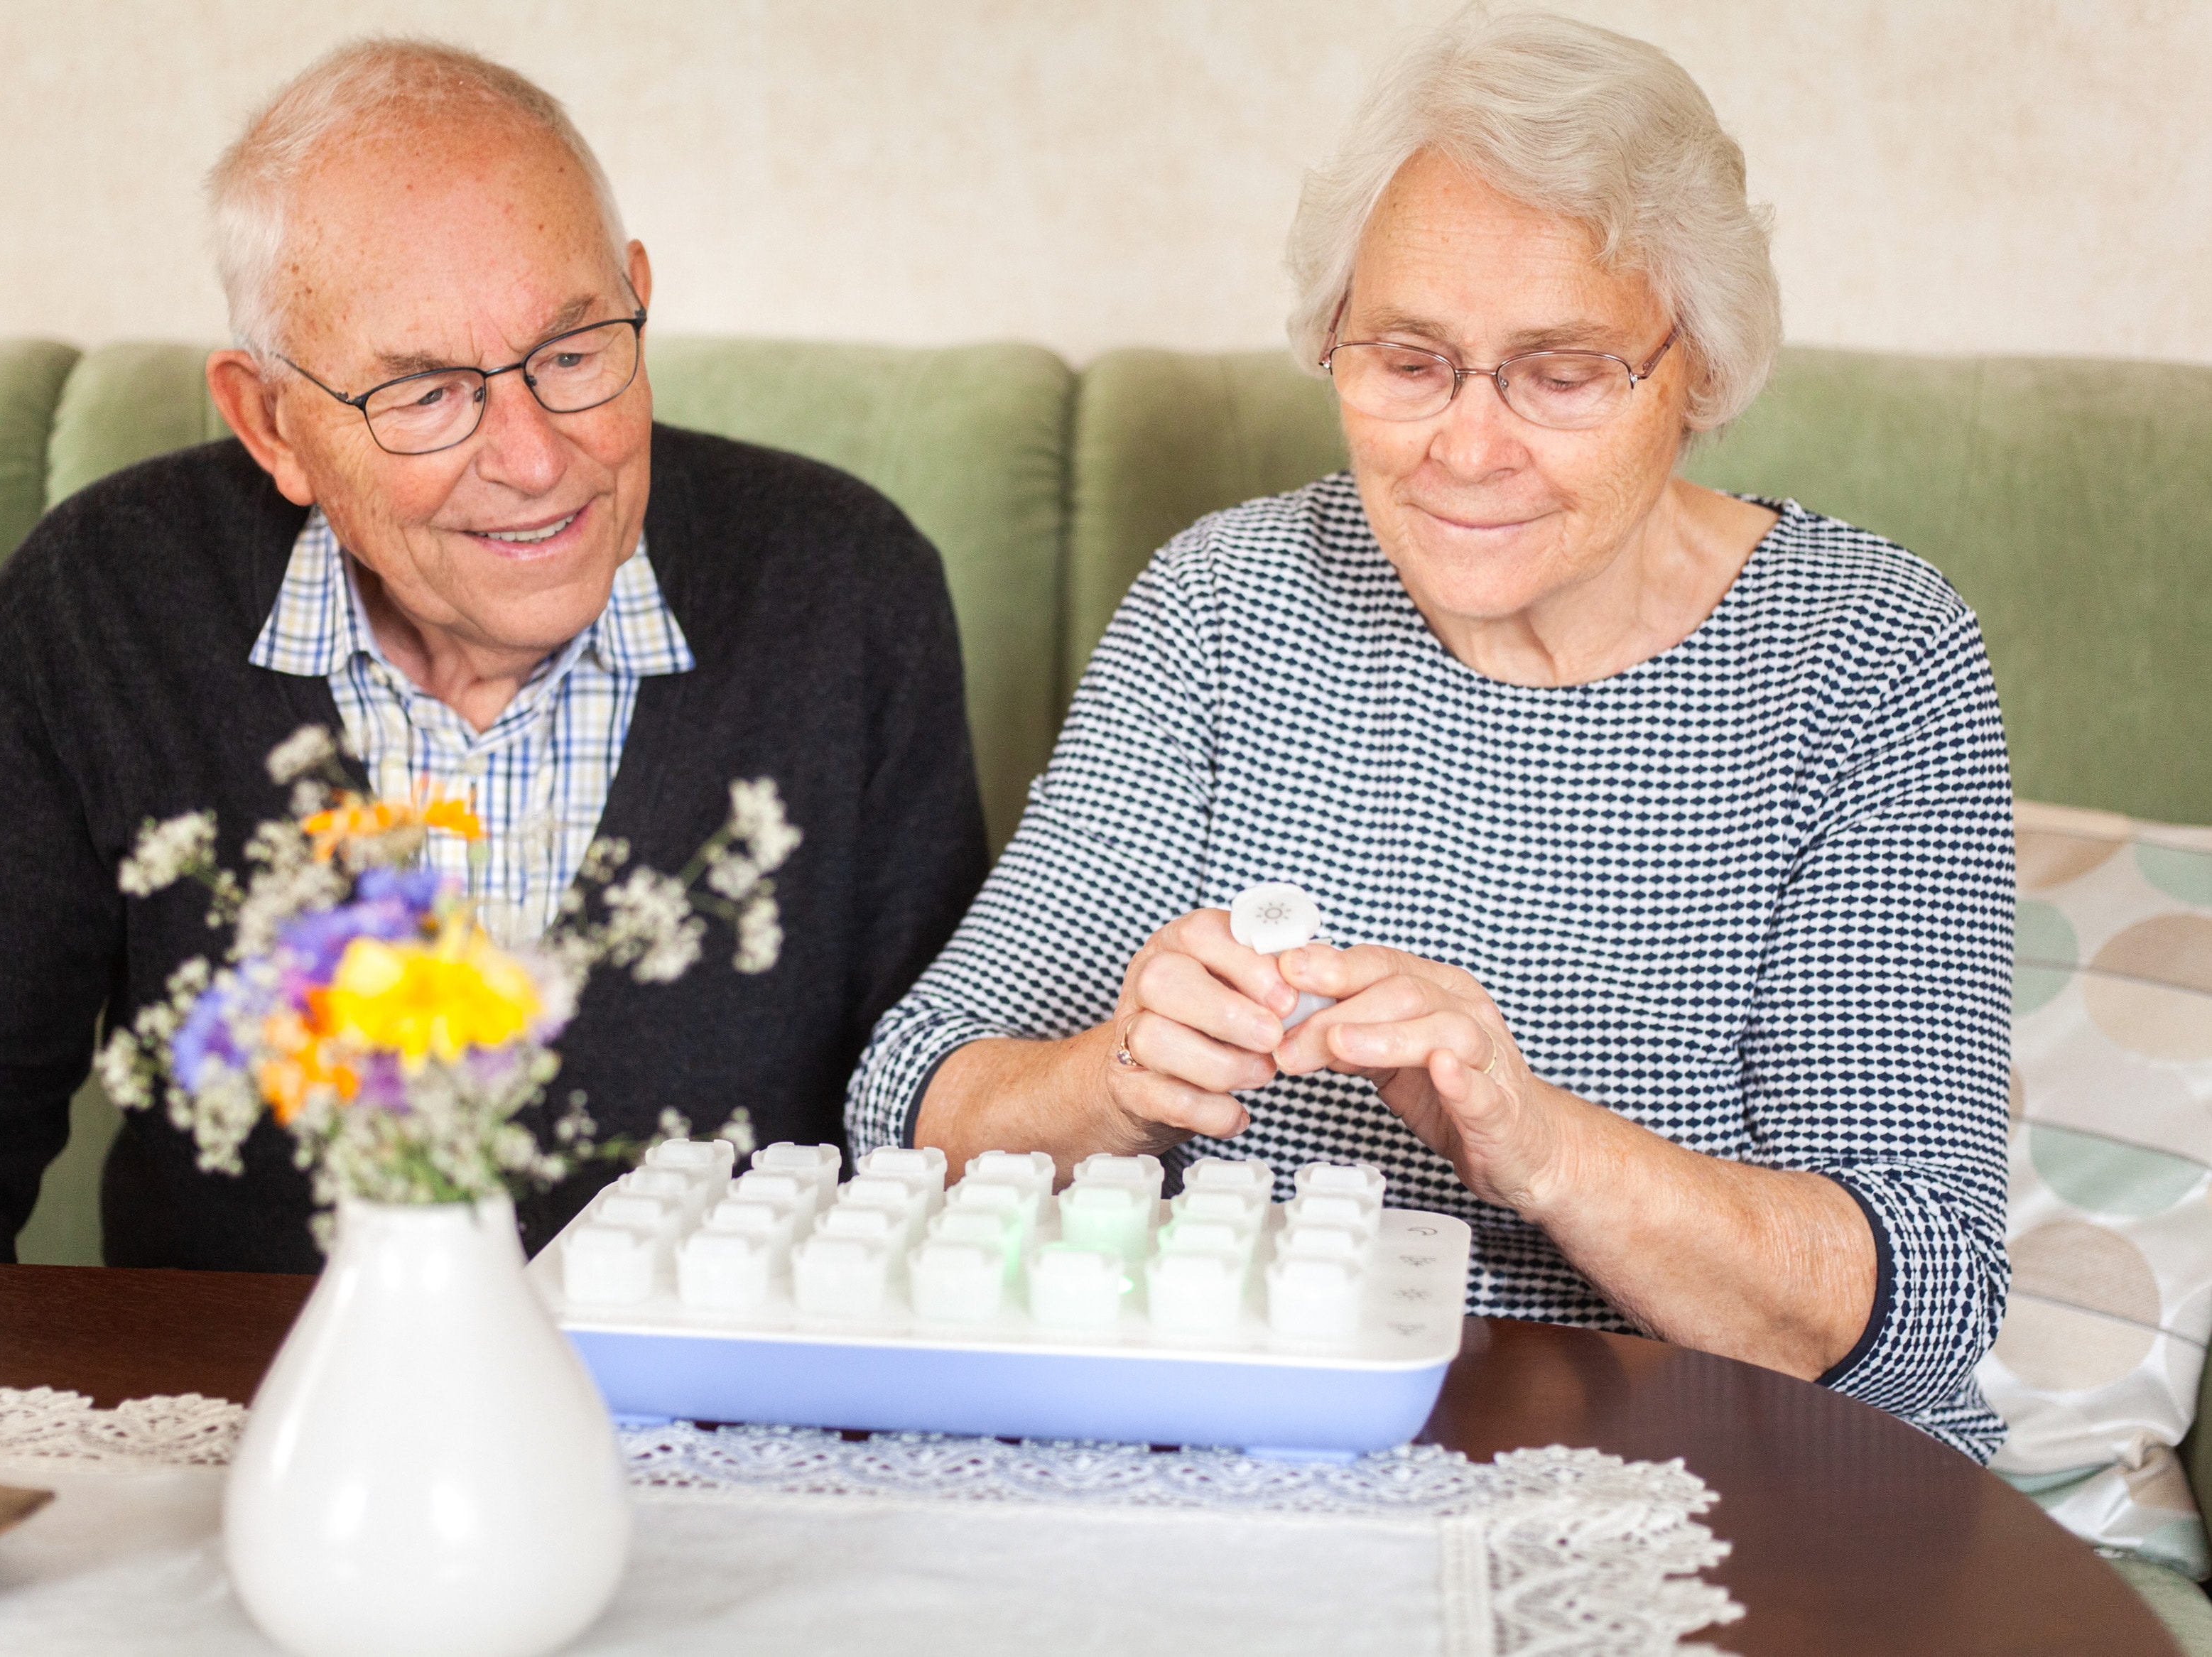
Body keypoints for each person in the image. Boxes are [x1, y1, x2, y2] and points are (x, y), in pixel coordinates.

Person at [849, 11, 2012, 1458]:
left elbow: (1914, 1299)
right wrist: (1114, 1082)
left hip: (1688, 1466)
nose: (1466, 449)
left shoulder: (1866, 657)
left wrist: (1535, 1141)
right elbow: (914, 1102)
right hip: (1247, 1443)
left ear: (1697, 369)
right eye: (1408, 362)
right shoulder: (1225, 603)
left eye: (1562, 371)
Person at [0, 39, 986, 1270]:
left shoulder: (848, 587)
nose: (534, 458)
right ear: (273, 423)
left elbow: (940, 1109)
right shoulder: (102, 605)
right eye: (424, 393)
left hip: (718, 1435)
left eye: (575, 354)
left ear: (637, 296)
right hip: (252, 1425)